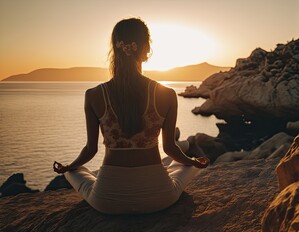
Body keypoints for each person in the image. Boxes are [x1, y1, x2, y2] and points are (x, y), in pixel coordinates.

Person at [53, 18, 209, 214]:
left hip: (107, 200)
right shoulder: (166, 95)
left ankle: (72, 170)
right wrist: (194, 162)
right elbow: (170, 148)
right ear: (146, 50)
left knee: (76, 173)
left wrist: (68, 166)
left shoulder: (93, 95)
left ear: (115, 49)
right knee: (184, 165)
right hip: (159, 197)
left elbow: (90, 150)